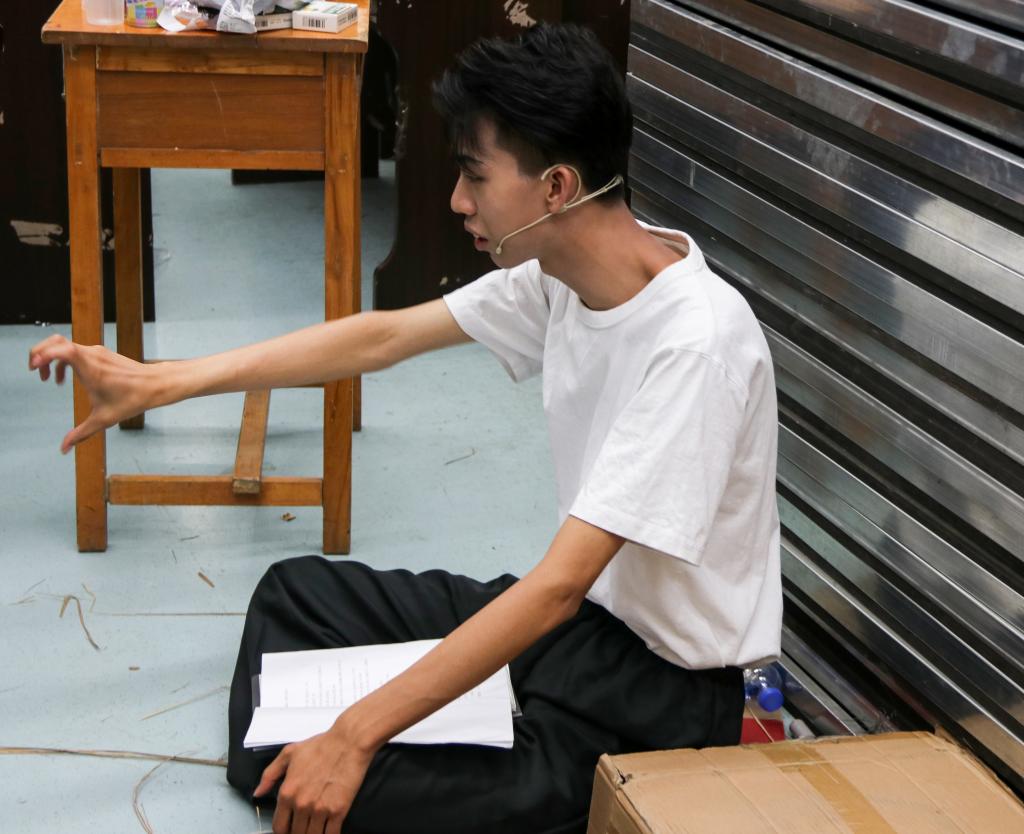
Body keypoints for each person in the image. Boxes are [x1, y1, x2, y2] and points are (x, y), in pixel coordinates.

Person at [28, 23, 781, 834]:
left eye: (475, 174)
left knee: (297, 773)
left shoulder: (694, 345)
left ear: (556, 188)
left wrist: (354, 736)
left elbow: (556, 587)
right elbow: (382, 337)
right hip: (586, 631)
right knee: (292, 596)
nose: (458, 200)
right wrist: (161, 381)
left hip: (662, 697)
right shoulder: (562, 276)